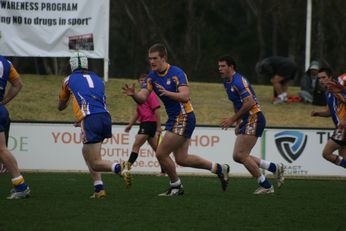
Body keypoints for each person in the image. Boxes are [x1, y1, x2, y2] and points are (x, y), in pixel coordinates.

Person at [122, 43, 230, 196]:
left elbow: (185, 96)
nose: (151, 62)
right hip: (176, 119)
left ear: (163, 58)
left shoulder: (176, 73)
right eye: (149, 59)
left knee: (161, 153)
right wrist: (134, 95)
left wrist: (167, 93)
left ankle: (176, 186)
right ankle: (219, 169)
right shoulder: (151, 77)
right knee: (182, 159)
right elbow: (143, 97)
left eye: (155, 58)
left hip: (184, 116)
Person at [58, 52, 131, 198]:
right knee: (86, 152)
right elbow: (91, 99)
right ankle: (99, 188)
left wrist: (75, 109)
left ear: (71, 65)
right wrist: (81, 119)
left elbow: (61, 105)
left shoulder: (68, 79)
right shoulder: (98, 79)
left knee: (95, 162)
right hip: (105, 117)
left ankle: (119, 167)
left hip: (91, 119)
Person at [218, 55, 285, 194]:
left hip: (254, 117)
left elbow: (250, 102)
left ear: (231, 67)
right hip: (247, 119)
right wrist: (238, 121)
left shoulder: (239, 81)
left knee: (241, 155)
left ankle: (266, 186)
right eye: (219, 66)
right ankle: (274, 168)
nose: (220, 69)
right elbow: (236, 103)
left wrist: (232, 119)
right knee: (238, 156)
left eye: (223, 66)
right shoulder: (227, 81)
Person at [0, 55, 31, 199]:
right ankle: (20, 186)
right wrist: (3, 102)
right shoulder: (6, 62)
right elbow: (18, 84)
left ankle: (21, 186)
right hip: (1, 111)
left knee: (1, 150)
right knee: (2, 150)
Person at [124, 73, 165, 176]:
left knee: (136, 145)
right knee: (158, 150)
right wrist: (130, 125)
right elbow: (138, 112)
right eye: (141, 80)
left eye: (144, 80)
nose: (142, 82)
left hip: (149, 123)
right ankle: (164, 170)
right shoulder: (139, 95)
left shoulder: (150, 94)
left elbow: (156, 111)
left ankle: (126, 167)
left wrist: (159, 127)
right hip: (145, 123)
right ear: (138, 82)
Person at [311, 68, 346, 170]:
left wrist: (344, 120)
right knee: (343, 157)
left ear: (330, 77)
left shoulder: (336, 89)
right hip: (341, 127)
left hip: (342, 128)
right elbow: (330, 112)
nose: (321, 80)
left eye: (324, 77)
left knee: (326, 153)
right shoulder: (328, 92)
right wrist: (318, 113)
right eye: (319, 78)